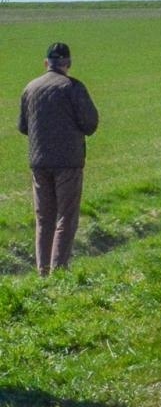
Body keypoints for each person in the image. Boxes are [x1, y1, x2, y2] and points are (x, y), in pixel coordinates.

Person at [18, 43, 99, 276]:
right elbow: (90, 124)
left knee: (44, 218)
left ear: (46, 63)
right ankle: (59, 271)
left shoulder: (30, 88)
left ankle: (42, 271)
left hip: (39, 162)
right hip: (68, 162)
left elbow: (23, 126)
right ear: (68, 64)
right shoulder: (73, 87)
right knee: (66, 217)